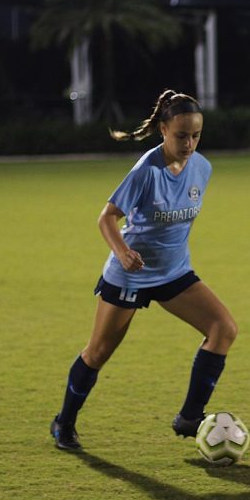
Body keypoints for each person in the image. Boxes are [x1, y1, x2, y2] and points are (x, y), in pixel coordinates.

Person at [50, 89, 237, 451]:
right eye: (181, 135)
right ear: (164, 129)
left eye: (196, 135)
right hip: (130, 275)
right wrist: (122, 252)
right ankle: (64, 423)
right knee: (98, 352)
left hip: (174, 273)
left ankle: (190, 418)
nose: (189, 143)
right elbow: (106, 218)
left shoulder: (203, 168)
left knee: (223, 329)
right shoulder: (145, 171)